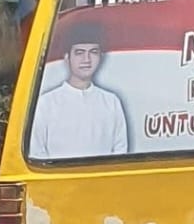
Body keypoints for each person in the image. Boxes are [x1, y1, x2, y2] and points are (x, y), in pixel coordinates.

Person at [28, 26, 129, 159]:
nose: (86, 60)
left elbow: (120, 150)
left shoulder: (111, 102)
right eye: (79, 53)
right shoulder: (46, 103)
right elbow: (36, 151)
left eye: (93, 52)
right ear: (67, 58)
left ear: (101, 57)